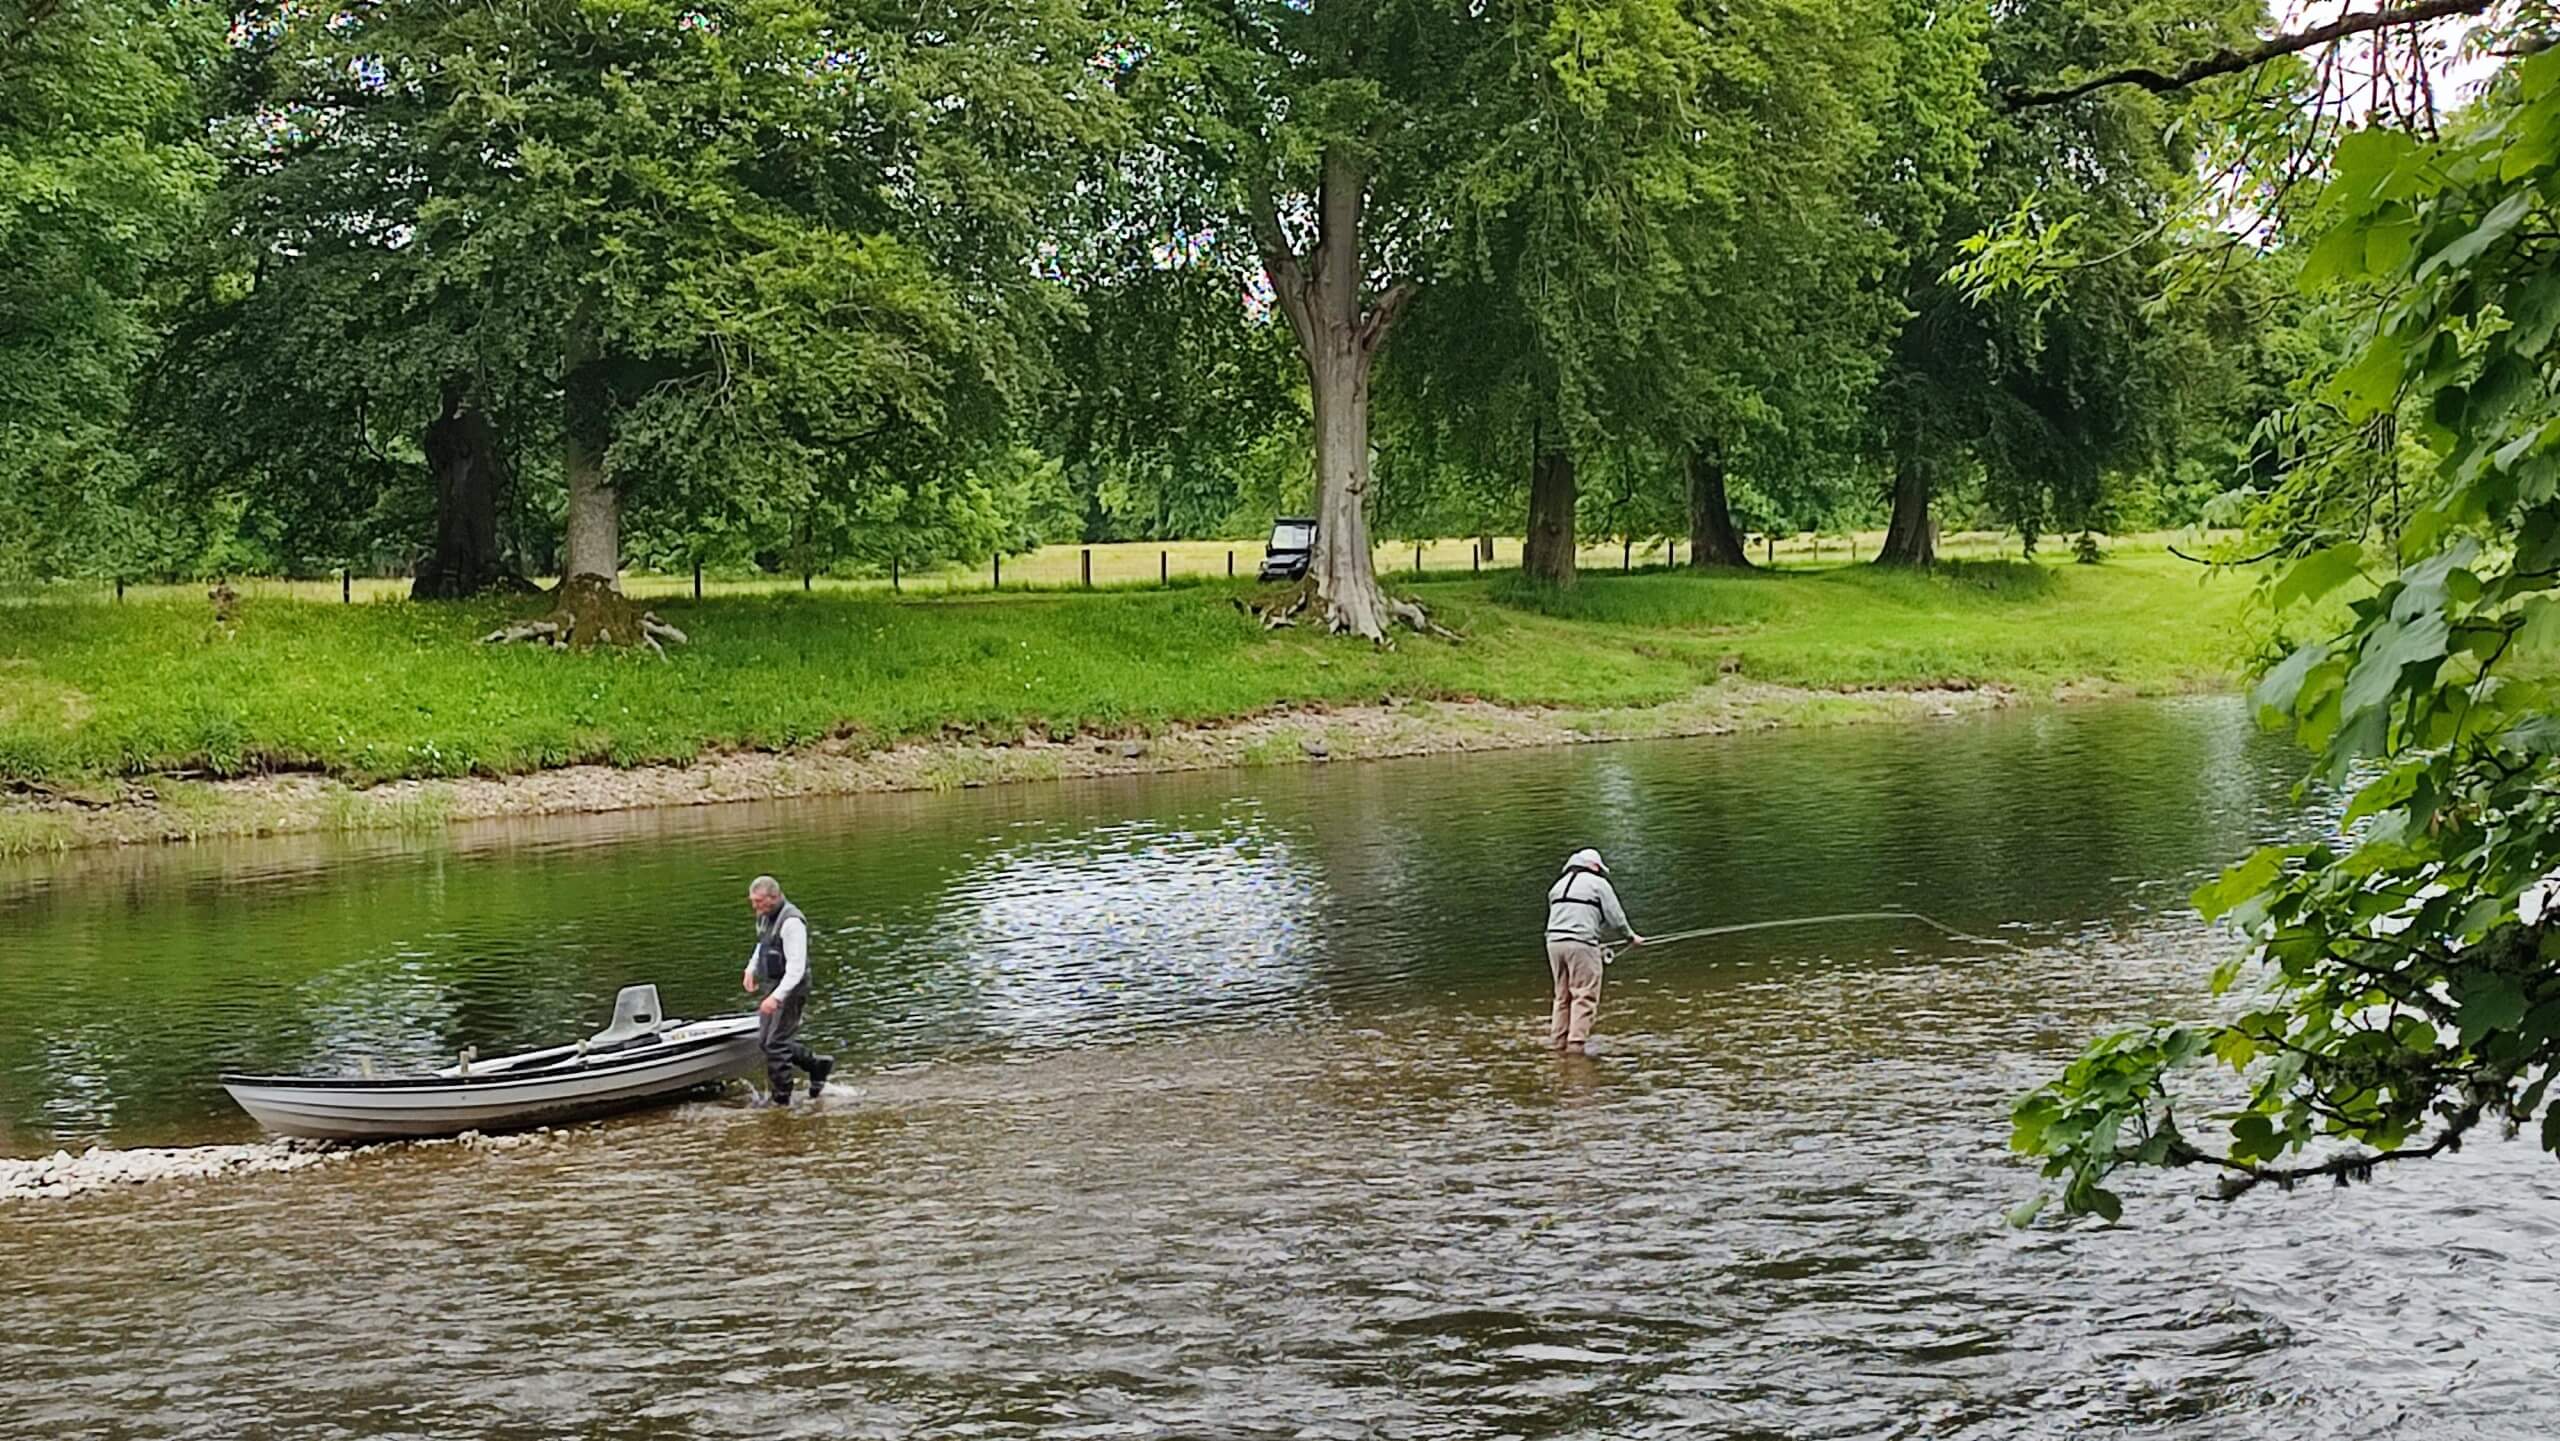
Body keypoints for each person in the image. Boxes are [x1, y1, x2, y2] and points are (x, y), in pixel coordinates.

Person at [1544, 848, 1645, 1056]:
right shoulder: (1598, 884)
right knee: (1584, 994)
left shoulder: (1558, 885)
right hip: (1581, 943)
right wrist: (1630, 937)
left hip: (1553, 943)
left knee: (1562, 996)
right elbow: (1615, 916)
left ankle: (1557, 1042)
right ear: (1592, 866)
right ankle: (1576, 1046)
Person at [743, 875, 834, 1105]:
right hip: (774, 984)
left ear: (773, 898)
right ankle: (816, 1065)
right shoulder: (765, 917)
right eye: (752, 901)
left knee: (775, 1044)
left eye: (758, 901)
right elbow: (762, 944)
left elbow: (796, 968)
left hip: (792, 987)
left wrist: (776, 997)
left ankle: (781, 1099)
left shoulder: (792, 923)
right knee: (766, 1042)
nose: (754, 906)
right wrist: (751, 969)